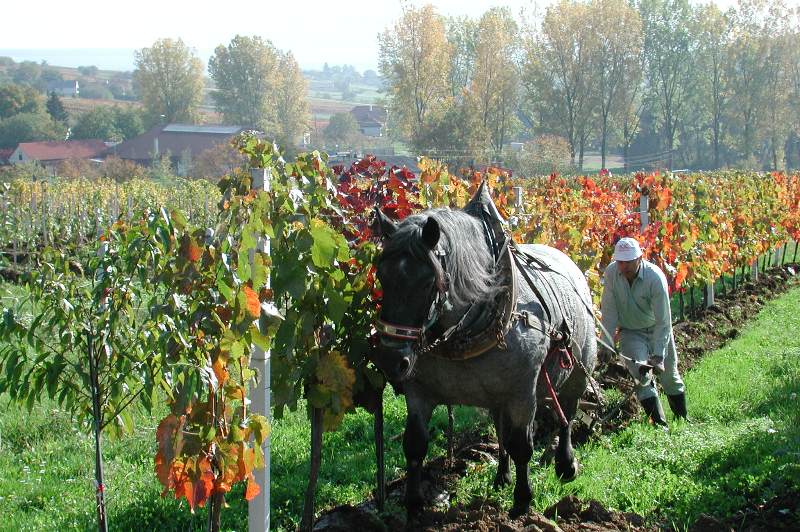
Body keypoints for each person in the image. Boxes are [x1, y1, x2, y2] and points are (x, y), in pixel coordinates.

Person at [600, 237, 687, 427]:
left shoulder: (655, 278)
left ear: (640, 258)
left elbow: (664, 320)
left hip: (657, 329)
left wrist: (658, 354)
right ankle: (660, 426)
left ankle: (682, 421)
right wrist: (606, 343)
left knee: (669, 377)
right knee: (642, 379)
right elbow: (608, 311)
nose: (624, 266)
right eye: (620, 262)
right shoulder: (611, 274)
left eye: (628, 261)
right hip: (631, 332)